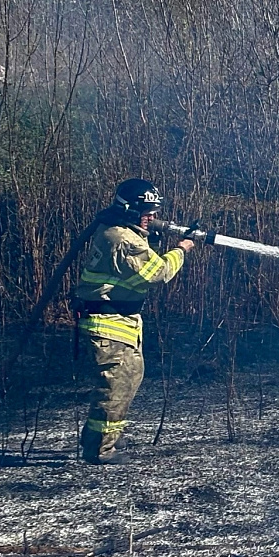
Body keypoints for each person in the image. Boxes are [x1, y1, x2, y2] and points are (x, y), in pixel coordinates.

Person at [71, 179, 199, 464]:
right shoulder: (121, 239)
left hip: (121, 323)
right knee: (114, 388)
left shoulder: (122, 231)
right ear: (129, 209)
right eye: (147, 211)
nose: (152, 217)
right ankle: (101, 450)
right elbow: (157, 272)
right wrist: (183, 248)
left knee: (127, 381)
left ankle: (104, 438)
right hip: (108, 325)